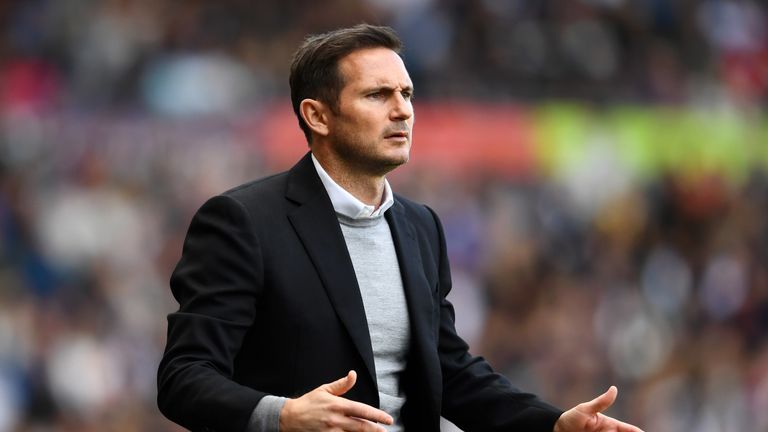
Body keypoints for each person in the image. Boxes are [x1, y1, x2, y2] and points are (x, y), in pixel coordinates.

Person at [157, 24, 644, 432]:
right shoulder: (243, 221)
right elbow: (184, 377)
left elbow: (448, 372)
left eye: (406, 93)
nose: (403, 110)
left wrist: (551, 423)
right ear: (317, 115)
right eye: (378, 95)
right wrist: (283, 415)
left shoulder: (420, 226)